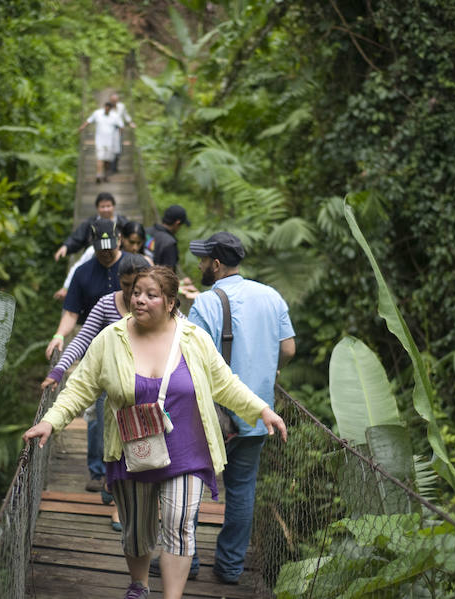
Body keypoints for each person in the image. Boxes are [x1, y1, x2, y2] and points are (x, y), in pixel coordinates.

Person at [24, 266, 287, 599]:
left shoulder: (194, 339)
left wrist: (262, 410)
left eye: (151, 295)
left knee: (178, 523)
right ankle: (140, 584)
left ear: (170, 302)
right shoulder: (111, 339)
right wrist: (51, 420)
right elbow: (81, 388)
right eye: (136, 293)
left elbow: (225, 384)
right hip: (133, 449)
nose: (139, 300)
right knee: (136, 532)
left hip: (186, 451)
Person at [185, 232, 296, 585]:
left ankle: (185, 560)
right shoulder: (272, 296)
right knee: (242, 489)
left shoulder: (205, 302)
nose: (200, 265)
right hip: (259, 414)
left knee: (190, 486)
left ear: (216, 264)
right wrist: (268, 369)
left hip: (211, 417)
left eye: (204, 260)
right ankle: (230, 566)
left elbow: (191, 359)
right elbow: (289, 348)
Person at [42, 253, 152, 531]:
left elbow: (187, 336)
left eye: (137, 287)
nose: (131, 294)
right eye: (126, 286)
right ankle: (113, 487)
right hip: (110, 386)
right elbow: (82, 339)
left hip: (149, 388)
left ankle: (122, 502)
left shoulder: (159, 306)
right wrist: (59, 370)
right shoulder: (106, 304)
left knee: (140, 449)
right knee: (112, 444)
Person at [45, 218, 130, 491]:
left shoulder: (134, 267)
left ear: (119, 240)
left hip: (135, 354)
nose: (106, 252)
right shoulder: (82, 273)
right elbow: (72, 315)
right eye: (100, 247)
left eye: (110, 246)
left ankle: (123, 474)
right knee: (97, 413)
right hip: (97, 356)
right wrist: (59, 336)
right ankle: (100, 471)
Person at [78, 100, 124, 183]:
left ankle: (106, 175)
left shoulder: (115, 116)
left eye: (108, 108)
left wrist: (119, 137)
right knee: (100, 158)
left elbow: (121, 126)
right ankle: (98, 175)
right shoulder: (97, 113)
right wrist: (82, 127)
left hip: (111, 142)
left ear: (110, 109)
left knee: (108, 160)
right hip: (100, 140)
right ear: (104, 107)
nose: (107, 109)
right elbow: (89, 120)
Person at [145, 205, 190, 270]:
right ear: (177, 223)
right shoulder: (170, 243)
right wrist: (182, 281)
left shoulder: (146, 231)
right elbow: (168, 274)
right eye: (181, 225)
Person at [109, 93, 135, 174]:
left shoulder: (122, 106)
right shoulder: (108, 107)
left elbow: (125, 115)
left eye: (115, 101)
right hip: (110, 130)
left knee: (119, 148)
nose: (114, 102)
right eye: (113, 101)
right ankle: (111, 166)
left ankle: (115, 166)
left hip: (119, 130)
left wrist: (130, 122)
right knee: (110, 148)